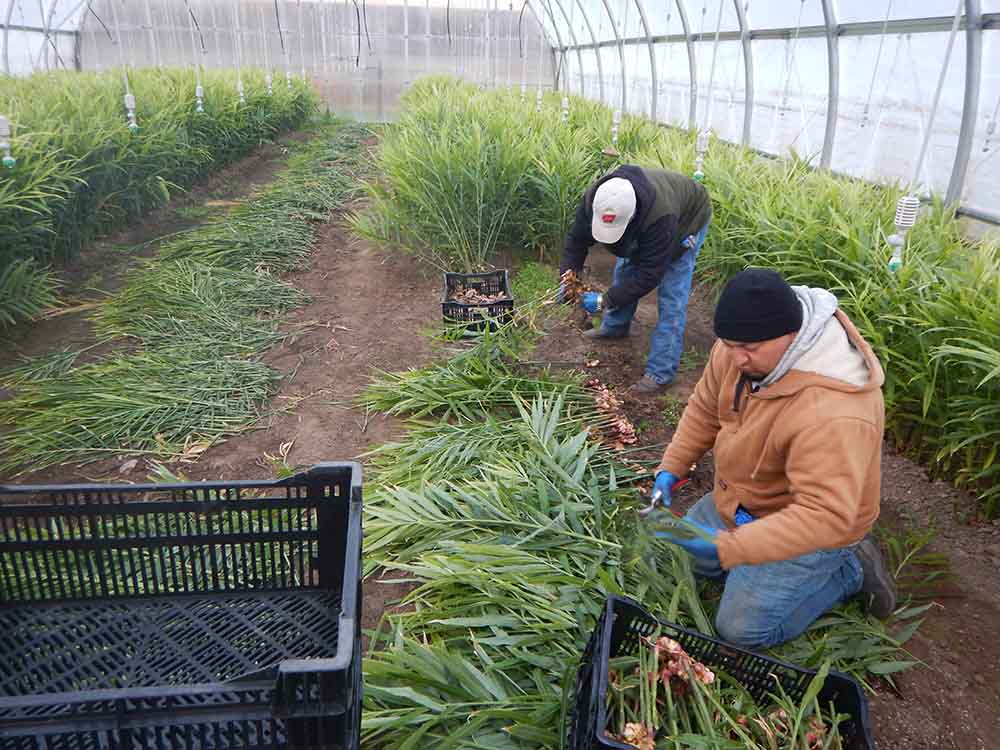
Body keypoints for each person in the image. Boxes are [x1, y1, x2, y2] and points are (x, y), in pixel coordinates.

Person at [652, 268, 896, 649]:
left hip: (813, 525)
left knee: (740, 629)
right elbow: (703, 409)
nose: (735, 357)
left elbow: (824, 515)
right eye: (728, 343)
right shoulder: (740, 347)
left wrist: (728, 547)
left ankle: (849, 568)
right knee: (681, 556)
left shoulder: (835, 411)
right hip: (744, 498)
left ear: (791, 334)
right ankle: (747, 558)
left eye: (747, 348)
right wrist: (672, 467)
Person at [559, 165, 712, 395]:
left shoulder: (662, 218)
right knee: (625, 271)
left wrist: (605, 300)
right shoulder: (595, 199)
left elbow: (650, 273)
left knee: (672, 296)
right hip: (651, 222)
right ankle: (615, 327)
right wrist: (568, 277)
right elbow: (576, 241)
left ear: (632, 218)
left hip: (686, 222)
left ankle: (660, 373)